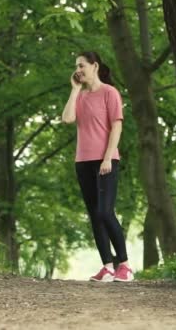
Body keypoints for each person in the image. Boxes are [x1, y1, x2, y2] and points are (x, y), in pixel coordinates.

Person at [61, 51, 133, 282]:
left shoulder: (109, 93)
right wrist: (74, 89)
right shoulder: (80, 96)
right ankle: (108, 267)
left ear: (95, 66)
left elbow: (117, 127)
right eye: (76, 66)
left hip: (106, 160)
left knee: (105, 211)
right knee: (94, 214)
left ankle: (125, 265)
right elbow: (67, 119)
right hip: (82, 161)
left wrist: (107, 157)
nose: (78, 69)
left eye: (82, 65)